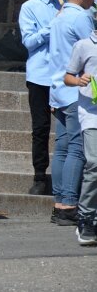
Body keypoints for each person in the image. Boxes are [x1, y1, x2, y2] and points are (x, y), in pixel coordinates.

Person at [48, 0, 94, 226]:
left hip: (58, 89)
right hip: (77, 90)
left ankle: (59, 202)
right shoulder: (81, 18)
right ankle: (68, 203)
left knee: (62, 148)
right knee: (76, 148)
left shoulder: (59, 16)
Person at [19, 0, 67, 195]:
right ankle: (40, 176)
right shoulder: (29, 8)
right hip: (40, 75)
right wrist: (54, 25)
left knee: (67, 129)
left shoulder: (68, 5)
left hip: (64, 75)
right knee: (40, 128)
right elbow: (29, 41)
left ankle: (66, 177)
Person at [64, 28, 97, 245]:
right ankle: (86, 218)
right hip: (92, 115)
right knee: (94, 163)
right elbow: (68, 76)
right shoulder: (84, 45)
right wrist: (79, 81)